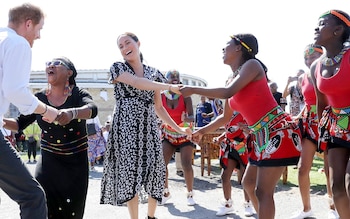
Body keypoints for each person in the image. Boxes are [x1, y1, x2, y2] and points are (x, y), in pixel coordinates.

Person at [180, 33, 302, 219]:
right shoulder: (232, 79)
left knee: (262, 191)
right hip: (260, 135)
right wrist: (202, 131)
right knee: (248, 184)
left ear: (239, 48)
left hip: (276, 130)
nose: (223, 48)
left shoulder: (252, 66)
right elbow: (225, 116)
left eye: (227, 44)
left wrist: (194, 89)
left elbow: (228, 92)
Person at [100, 32, 192, 219]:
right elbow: (136, 82)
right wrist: (167, 87)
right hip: (125, 128)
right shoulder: (117, 68)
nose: (125, 48)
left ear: (138, 43)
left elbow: (158, 107)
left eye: (128, 43)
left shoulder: (154, 73)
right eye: (121, 46)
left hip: (149, 128)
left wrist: (179, 128)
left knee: (155, 172)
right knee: (130, 176)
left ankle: (151, 216)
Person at [4, 56, 98, 219]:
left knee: (72, 212)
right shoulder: (39, 98)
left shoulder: (78, 94)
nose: (50, 66)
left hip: (75, 164)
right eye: (48, 64)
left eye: (57, 64)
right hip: (49, 162)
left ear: (69, 72)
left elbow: (92, 109)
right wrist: (1, 120)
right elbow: (19, 123)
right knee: (43, 204)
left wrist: (72, 113)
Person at [0, 3, 59, 219]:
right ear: (28, 23)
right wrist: (46, 110)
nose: (39, 36)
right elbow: (15, 91)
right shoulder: (18, 43)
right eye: (39, 29)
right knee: (32, 196)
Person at [310, 9, 350, 219]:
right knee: (337, 188)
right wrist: (319, 134)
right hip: (336, 126)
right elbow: (321, 104)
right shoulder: (315, 66)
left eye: (322, 23)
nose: (316, 28)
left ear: (337, 30)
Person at [290, 44, 337, 219]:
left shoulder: (327, 71)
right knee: (303, 168)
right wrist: (297, 117)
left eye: (312, 57)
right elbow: (308, 103)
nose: (309, 60)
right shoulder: (302, 78)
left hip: (328, 123)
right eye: (306, 58)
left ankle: (333, 207)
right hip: (309, 124)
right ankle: (306, 209)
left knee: (329, 169)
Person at [158, 69, 196, 206]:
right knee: (161, 164)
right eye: (172, 78)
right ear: (167, 81)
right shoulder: (161, 96)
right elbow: (157, 112)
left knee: (186, 164)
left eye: (177, 78)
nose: (175, 80)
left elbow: (192, 116)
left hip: (184, 133)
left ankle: (190, 193)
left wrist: (187, 118)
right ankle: (165, 192)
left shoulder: (185, 95)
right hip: (169, 132)